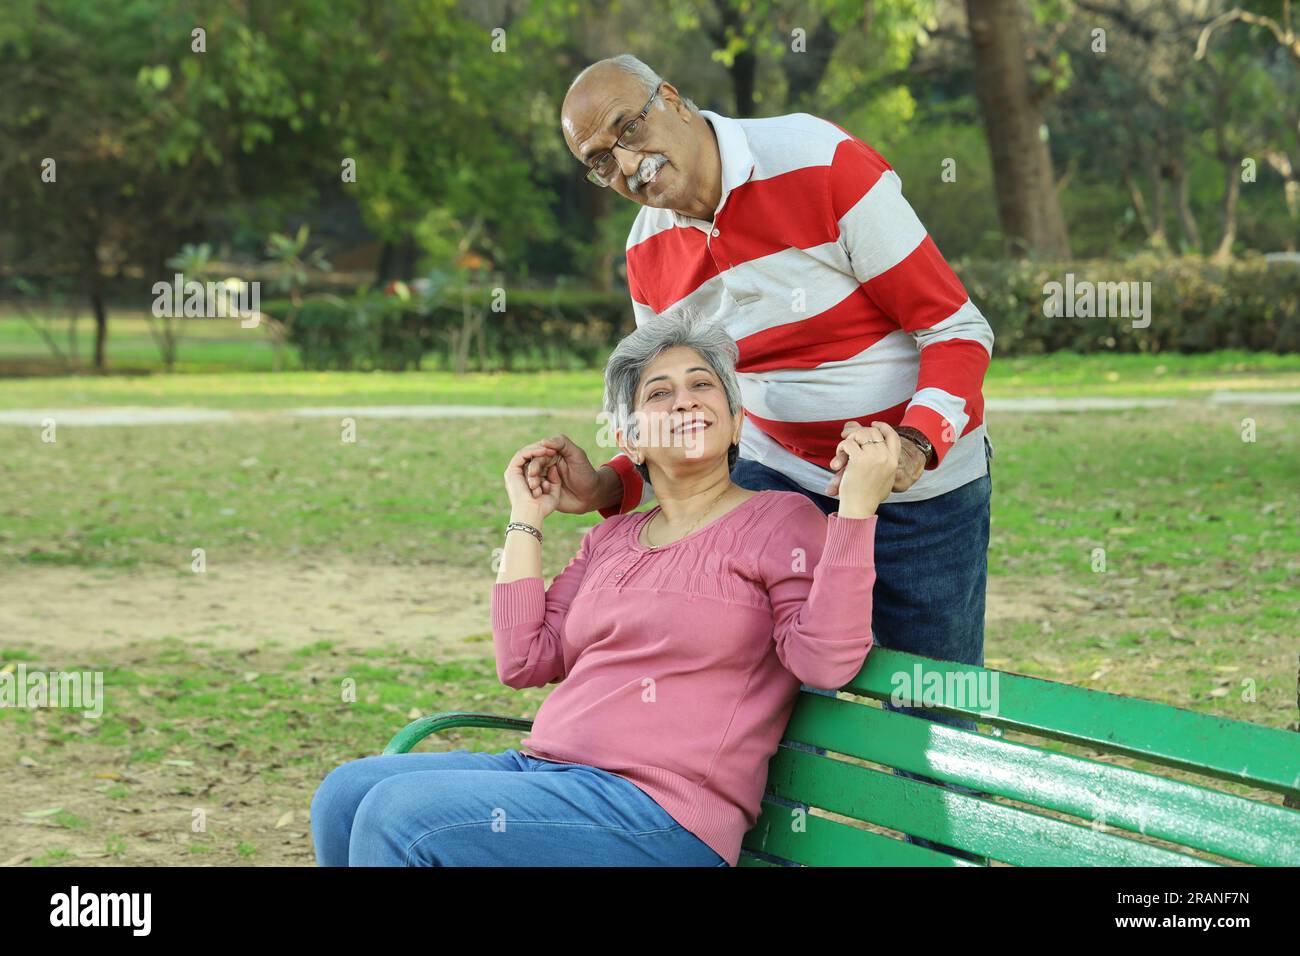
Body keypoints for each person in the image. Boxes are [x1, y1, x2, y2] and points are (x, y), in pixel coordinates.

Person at [543, 53, 995, 861]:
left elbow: (957, 330)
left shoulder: (818, 161)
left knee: (933, 708)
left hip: (924, 488)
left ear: (672, 99)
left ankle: (940, 855)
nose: (625, 163)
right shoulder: (649, 251)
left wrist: (912, 448)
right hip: (775, 479)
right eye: (598, 161)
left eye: (629, 129)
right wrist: (607, 484)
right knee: (762, 701)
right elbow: (684, 412)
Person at [310, 310, 898, 866]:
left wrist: (856, 510)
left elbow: (824, 660)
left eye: (702, 385)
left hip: (662, 813)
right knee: (345, 793)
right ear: (630, 440)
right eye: (659, 393)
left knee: (400, 815)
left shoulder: (781, 521)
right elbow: (524, 659)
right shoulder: (611, 539)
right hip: (548, 776)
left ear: (737, 419)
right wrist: (528, 517)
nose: (685, 399)